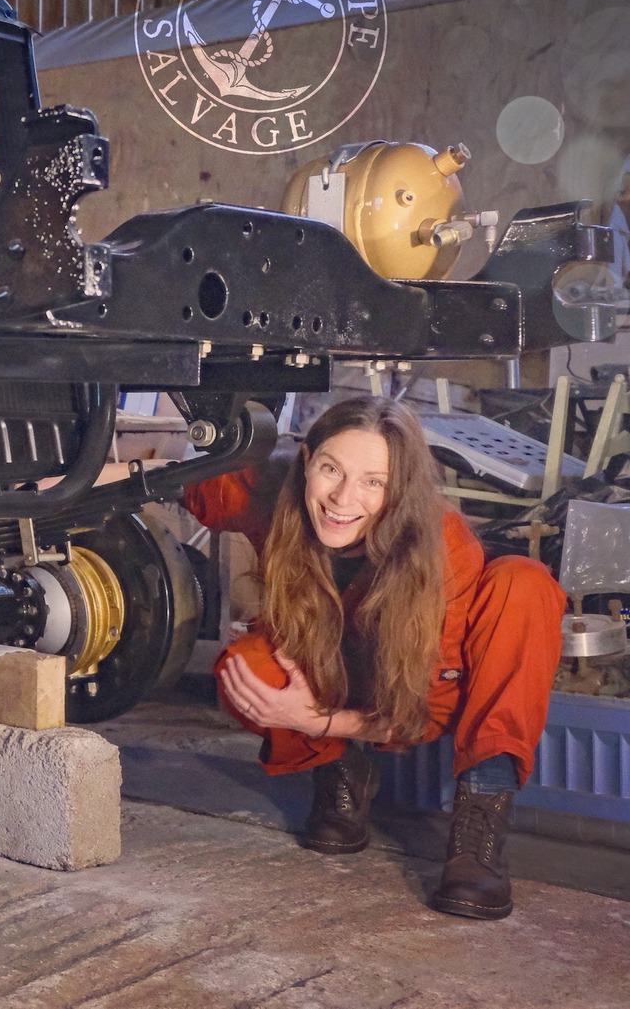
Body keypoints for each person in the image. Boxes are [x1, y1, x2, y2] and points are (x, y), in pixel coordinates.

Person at [185, 394, 563, 920]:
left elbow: (425, 717)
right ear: (307, 460)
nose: (343, 498)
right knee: (245, 671)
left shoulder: (443, 548)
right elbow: (185, 481)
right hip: (331, 667)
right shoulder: (276, 490)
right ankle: (342, 773)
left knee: (525, 584)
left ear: (400, 490)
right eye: (331, 469)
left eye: (374, 482)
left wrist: (314, 721)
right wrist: (51, 486)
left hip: (404, 683)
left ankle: (481, 818)